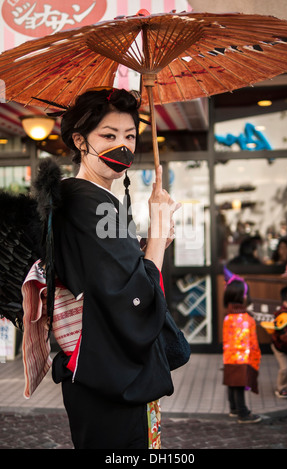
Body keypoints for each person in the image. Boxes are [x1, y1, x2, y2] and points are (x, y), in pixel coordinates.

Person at [21, 88, 183, 449]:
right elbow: (131, 300)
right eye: (108, 136)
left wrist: (154, 244)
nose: (122, 145)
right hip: (109, 374)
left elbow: (118, 276)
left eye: (129, 136)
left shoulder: (89, 199)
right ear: (80, 140)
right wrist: (156, 234)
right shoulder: (88, 202)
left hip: (101, 369)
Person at [222, 268, 262, 423]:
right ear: (244, 297)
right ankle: (243, 413)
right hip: (242, 358)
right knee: (239, 386)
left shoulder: (228, 317)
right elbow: (251, 342)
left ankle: (233, 408)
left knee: (232, 384)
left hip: (229, 356)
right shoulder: (246, 319)